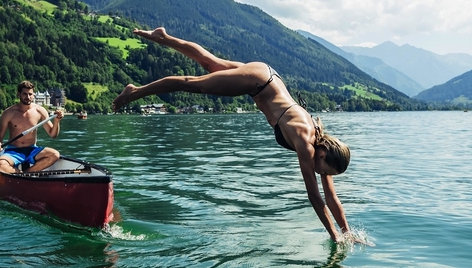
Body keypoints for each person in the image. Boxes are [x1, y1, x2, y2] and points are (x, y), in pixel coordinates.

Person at [112, 28, 357, 243]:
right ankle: (134, 92)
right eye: (324, 171)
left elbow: (331, 196)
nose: (322, 175)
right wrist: (335, 237)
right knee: (194, 83)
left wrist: (347, 231)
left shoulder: (321, 146)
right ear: (323, 154)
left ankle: (162, 37)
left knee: (210, 62)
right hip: (258, 82)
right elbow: (315, 196)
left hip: (268, 76)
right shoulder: (306, 142)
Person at [0, 80, 64, 173]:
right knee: (1, 165)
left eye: (30, 94)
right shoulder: (8, 113)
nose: (28, 97)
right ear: (19, 94)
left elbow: (53, 135)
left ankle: (27, 173)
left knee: (55, 155)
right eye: (25, 94)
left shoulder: (40, 111)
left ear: (33, 94)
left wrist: (57, 121)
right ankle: (18, 173)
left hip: (32, 150)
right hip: (13, 151)